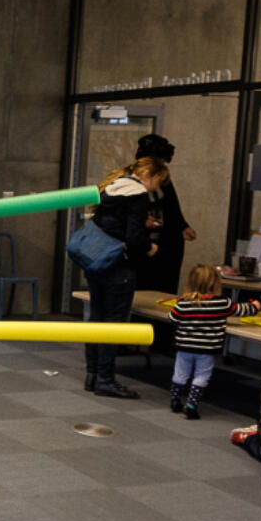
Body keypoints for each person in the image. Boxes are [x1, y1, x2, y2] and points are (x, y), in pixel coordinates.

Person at [83, 156, 169, 399]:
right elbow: (133, 237)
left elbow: (111, 224)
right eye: (158, 183)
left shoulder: (112, 187)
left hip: (95, 261)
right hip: (118, 265)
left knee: (97, 320)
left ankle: (92, 375)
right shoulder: (138, 193)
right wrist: (149, 247)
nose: (156, 189)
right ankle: (106, 380)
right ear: (151, 176)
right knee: (113, 324)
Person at [168, 264, 259, 419]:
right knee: (201, 376)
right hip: (207, 349)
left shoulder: (183, 303)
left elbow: (172, 318)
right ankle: (191, 404)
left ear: (190, 283)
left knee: (180, 374)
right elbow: (240, 310)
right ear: (216, 284)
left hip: (185, 347)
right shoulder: (223, 302)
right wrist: (255, 307)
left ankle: (175, 400)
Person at [134, 134, 196, 293]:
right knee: (143, 283)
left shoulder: (163, 179)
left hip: (168, 239)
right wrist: (141, 219)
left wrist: (183, 225)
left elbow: (172, 205)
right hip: (144, 239)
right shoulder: (132, 179)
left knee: (167, 284)